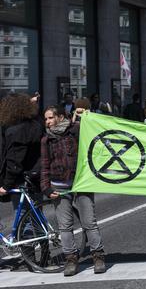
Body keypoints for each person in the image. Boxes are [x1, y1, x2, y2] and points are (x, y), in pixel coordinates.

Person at [40, 105, 106, 276]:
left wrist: (85, 115)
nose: (47, 122)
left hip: (81, 182)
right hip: (59, 185)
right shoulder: (46, 140)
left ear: (60, 117)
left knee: (89, 222)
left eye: (50, 118)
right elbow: (45, 165)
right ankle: (71, 259)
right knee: (65, 226)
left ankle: (98, 256)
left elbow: (92, 131)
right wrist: (46, 188)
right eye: (46, 119)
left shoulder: (75, 130)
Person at [0, 93, 43, 209]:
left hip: (21, 180)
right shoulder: (37, 125)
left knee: (24, 217)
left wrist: (7, 185)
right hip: (36, 175)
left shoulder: (15, 131)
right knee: (37, 213)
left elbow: (14, 161)